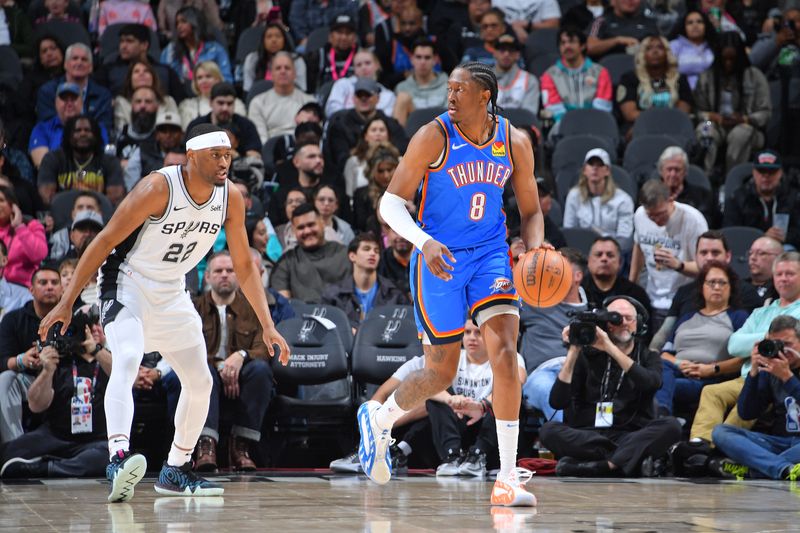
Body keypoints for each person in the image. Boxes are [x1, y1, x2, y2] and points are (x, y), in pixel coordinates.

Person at [37, 123, 290, 502]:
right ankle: (118, 457)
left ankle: (176, 469)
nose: (224, 163)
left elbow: (243, 264)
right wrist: (67, 300)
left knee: (201, 381)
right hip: (127, 282)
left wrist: (267, 325)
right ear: (191, 156)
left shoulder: (231, 197)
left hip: (173, 290)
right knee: (126, 358)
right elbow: (104, 240)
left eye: (228, 156)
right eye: (215, 156)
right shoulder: (159, 187)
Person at [360, 61, 545, 506]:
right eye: (449, 88)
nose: (450, 95)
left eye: (459, 89)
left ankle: (506, 477)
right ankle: (381, 419)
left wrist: (535, 250)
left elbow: (532, 211)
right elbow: (390, 204)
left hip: (490, 255)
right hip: (437, 257)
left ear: (485, 96)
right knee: (440, 371)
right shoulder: (433, 135)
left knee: (504, 353)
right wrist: (424, 243)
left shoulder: (514, 142)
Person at [540, 297, 683, 477]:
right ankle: (623, 461)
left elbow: (650, 383)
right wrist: (574, 350)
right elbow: (557, 401)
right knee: (548, 430)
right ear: (606, 324)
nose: (623, 323)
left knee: (671, 426)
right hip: (588, 435)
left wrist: (609, 347)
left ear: (638, 323)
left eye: (628, 318)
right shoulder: (587, 355)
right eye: (616, 318)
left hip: (630, 434)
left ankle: (601, 465)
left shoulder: (648, 357)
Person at [161, 251, 274, 472]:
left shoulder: (254, 309)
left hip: (243, 376)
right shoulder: (192, 308)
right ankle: (205, 445)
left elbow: (265, 347)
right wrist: (221, 365)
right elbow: (181, 344)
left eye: (230, 271)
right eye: (218, 271)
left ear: (238, 276)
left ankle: (241, 446)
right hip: (206, 373)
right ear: (207, 277)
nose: (224, 275)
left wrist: (241, 356)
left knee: (260, 370)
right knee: (204, 371)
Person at [689, 251, 800, 445]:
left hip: (780, 376)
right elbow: (734, 345)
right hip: (749, 375)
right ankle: (700, 445)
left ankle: (720, 449)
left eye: (790, 273)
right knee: (711, 392)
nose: (783, 279)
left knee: (743, 406)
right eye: (779, 274)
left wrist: (759, 340)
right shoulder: (762, 311)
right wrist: (766, 337)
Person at [0, 298, 113, 479]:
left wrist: (96, 350)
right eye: (87, 326)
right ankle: (62, 464)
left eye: (98, 325)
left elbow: (127, 379)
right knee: (8, 452)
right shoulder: (61, 358)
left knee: (108, 458)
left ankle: (47, 468)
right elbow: (36, 405)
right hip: (56, 436)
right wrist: (47, 371)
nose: (93, 330)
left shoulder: (110, 359)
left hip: (96, 440)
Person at [430, 319, 527, 477]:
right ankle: (452, 456)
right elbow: (427, 385)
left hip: (489, 429)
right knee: (435, 400)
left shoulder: (508, 355)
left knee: (508, 400)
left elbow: (518, 381)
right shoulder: (453, 356)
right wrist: (450, 399)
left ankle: (477, 456)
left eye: (478, 333)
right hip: (462, 421)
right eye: (467, 332)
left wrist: (483, 405)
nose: (472, 338)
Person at [711, 315, 800, 480]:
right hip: (779, 443)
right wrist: (753, 373)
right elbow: (746, 412)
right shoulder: (771, 370)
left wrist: (788, 378)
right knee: (721, 432)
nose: (782, 350)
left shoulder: (782, 372)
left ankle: (757, 469)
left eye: (787, 344)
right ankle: (784, 468)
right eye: (776, 344)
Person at [656, 261, 749, 416]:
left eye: (722, 283)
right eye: (712, 282)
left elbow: (744, 359)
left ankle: (662, 415)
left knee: (663, 385)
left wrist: (710, 369)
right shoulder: (687, 317)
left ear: (730, 287)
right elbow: (665, 353)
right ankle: (663, 415)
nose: (717, 287)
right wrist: (681, 364)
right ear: (702, 287)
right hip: (676, 370)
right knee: (657, 365)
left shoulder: (739, 317)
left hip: (708, 378)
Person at [648, 231, 765, 352]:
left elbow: (750, 340)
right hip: (677, 361)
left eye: (715, 253)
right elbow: (664, 332)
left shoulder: (746, 292)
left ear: (728, 256)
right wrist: (652, 355)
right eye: (703, 253)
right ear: (695, 257)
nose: (709, 258)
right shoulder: (684, 292)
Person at [521, 248, 588, 424]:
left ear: (577, 276)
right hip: (542, 373)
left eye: (560, 269)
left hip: (581, 373)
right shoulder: (532, 302)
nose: (553, 272)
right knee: (550, 390)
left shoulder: (592, 312)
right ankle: (570, 443)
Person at [630, 179, 708, 330]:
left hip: (683, 300)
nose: (657, 220)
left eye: (660, 214)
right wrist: (632, 284)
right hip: (651, 297)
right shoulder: (640, 216)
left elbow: (706, 267)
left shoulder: (693, 220)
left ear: (671, 200)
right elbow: (638, 247)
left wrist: (678, 265)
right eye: (651, 216)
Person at [694, 32, 771, 177]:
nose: (728, 63)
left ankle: (732, 180)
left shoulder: (755, 76)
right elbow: (697, 111)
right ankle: (705, 178)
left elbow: (765, 112)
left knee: (740, 133)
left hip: (747, 126)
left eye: (732, 59)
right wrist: (713, 116)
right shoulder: (707, 77)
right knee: (705, 129)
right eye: (724, 59)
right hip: (716, 123)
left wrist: (745, 119)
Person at [0, 268, 61, 444]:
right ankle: (15, 446)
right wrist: (23, 360)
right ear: (31, 289)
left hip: (67, 379)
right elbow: (3, 361)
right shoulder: (13, 319)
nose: (49, 287)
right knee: (5, 379)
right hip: (31, 382)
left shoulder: (74, 318)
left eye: (54, 282)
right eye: (43, 283)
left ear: (62, 289)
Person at [322, 232, 408, 329]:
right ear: (352, 256)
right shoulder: (333, 295)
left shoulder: (394, 293)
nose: (372, 253)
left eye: (376, 251)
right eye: (366, 249)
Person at [324, 78, 408, 176]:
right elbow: (340, 158)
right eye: (360, 95)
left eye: (368, 95)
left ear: (378, 98)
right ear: (354, 98)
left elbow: (402, 149)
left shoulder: (390, 123)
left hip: (389, 173)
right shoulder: (340, 124)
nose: (363, 99)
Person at [36, 115, 126, 207]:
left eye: (87, 130)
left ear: (95, 135)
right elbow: (47, 198)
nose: (83, 134)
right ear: (69, 135)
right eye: (77, 130)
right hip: (63, 217)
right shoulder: (52, 159)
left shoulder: (110, 162)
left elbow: (115, 199)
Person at [270, 203, 350, 303]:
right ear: (294, 230)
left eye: (311, 225)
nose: (307, 231)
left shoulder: (346, 255)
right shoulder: (285, 263)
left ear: (322, 223)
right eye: (301, 227)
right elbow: (283, 306)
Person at [617, 36, 694, 139]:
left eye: (660, 48)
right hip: (641, 125)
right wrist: (657, 120)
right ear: (642, 54)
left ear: (667, 53)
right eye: (649, 48)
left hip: (673, 126)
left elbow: (683, 112)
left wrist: (658, 120)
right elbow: (630, 114)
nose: (655, 51)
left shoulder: (679, 79)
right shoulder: (629, 78)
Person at [723, 150, 800, 250]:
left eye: (771, 172)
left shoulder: (794, 198)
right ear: (754, 172)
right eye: (761, 171)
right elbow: (730, 233)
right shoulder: (737, 198)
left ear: (780, 173)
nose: (766, 176)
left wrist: (786, 237)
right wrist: (762, 237)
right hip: (746, 250)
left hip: (784, 249)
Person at [540, 26, 613, 132]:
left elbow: (602, 107)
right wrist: (574, 125)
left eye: (572, 42)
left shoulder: (600, 72)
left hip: (596, 125)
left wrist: (587, 125)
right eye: (563, 43)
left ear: (583, 46)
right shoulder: (549, 75)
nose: (567, 46)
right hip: (563, 126)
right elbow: (554, 109)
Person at [563, 148, 635, 252]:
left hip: (611, 253)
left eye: (600, 165)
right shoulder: (574, 196)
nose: (595, 168)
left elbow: (625, 239)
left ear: (607, 170)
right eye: (591, 164)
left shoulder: (623, 200)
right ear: (584, 170)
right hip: (580, 251)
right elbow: (569, 232)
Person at [93, 23, 186, 101]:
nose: (123, 46)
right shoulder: (107, 71)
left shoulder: (165, 72)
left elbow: (181, 101)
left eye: (129, 41)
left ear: (144, 45)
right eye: (121, 41)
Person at [36, 43, 114, 134]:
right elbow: (46, 126)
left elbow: (104, 128)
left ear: (91, 67)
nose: (79, 63)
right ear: (65, 64)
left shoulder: (103, 95)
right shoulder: (48, 91)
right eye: (74, 58)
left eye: (84, 59)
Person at [29, 82, 110, 169]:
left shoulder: (97, 128)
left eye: (74, 99)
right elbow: (43, 165)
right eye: (64, 99)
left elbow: (102, 161)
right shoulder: (41, 130)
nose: (69, 103)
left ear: (81, 103)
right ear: (56, 103)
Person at [247, 52, 315, 145]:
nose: (283, 71)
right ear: (271, 74)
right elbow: (261, 139)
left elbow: (315, 136)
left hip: (302, 149)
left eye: (287, 68)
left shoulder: (309, 102)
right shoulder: (257, 103)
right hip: (270, 152)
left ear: (295, 73)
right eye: (278, 68)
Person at [582, 236, 652, 320]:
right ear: (588, 261)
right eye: (598, 255)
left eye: (610, 255)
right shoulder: (578, 290)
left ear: (620, 262)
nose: (604, 259)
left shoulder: (636, 294)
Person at [160, 7, 233, 87]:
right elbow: (163, 78)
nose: (179, 26)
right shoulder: (170, 51)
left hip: (210, 94)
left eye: (184, 21)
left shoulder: (215, 50)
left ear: (195, 23)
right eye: (177, 23)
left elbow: (227, 79)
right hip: (179, 95)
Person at [187, 83, 261, 159]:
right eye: (220, 103)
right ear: (211, 102)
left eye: (229, 103)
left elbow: (255, 155)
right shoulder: (196, 126)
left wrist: (237, 157)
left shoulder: (246, 125)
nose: (225, 108)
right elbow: (188, 156)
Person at [325, 48, 397, 119]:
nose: (363, 67)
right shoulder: (343, 84)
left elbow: (386, 119)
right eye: (359, 65)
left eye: (367, 63)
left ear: (377, 65)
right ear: (354, 70)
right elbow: (332, 110)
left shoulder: (388, 96)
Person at [112, 61, 179, 136]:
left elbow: (173, 130)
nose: (141, 74)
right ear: (130, 79)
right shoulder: (121, 102)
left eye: (146, 71)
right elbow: (121, 132)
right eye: (136, 71)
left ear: (153, 77)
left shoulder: (168, 101)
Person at [0, 186, 48, 289]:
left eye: (1, 200)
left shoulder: (31, 226)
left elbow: (40, 255)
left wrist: (19, 227)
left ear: (13, 205)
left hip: (23, 290)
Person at [394, 39, 449, 127]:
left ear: (435, 60)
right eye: (418, 57)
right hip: (413, 135)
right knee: (402, 98)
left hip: (442, 132)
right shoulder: (402, 87)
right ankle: (398, 140)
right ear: (412, 59)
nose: (422, 62)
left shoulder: (448, 85)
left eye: (427, 57)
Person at [124, 109, 184, 190]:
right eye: (163, 130)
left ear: (181, 134)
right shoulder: (142, 151)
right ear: (156, 134)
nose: (168, 135)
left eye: (173, 130)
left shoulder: (189, 153)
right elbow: (131, 187)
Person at [375, 5, 431, 90]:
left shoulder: (433, 43)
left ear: (420, 23)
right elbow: (383, 79)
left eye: (412, 23)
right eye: (403, 23)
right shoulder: (391, 46)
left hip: (433, 89)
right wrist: (402, 76)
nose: (407, 28)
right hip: (400, 91)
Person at [656, 146, 717, 225]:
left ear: (685, 172)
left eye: (677, 170)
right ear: (661, 171)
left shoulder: (703, 197)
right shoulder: (651, 196)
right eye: (669, 169)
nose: (673, 174)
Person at [178, 62, 246, 131]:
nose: (203, 81)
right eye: (199, 78)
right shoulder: (186, 106)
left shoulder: (236, 103)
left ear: (218, 79)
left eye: (208, 76)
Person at [242, 22, 307, 93]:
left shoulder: (296, 60)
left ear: (284, 39)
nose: (274, 40)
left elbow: (301, 88)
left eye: (278, 36)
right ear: (263, 41)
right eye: (269, 36)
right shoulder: (252, 59)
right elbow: (248, 90)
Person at [304, 14, 359, 93]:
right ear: (330, 36)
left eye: (348, 33)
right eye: (339, 32)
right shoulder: (317, 57)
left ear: (354, 38)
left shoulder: (362, 57)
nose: (343, 37)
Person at [586, 0, 659, 59]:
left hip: (643, 69)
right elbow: (590, 47)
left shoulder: (651, 23)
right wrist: (617, 41)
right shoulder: (600, 21)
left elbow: (661, 48)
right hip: (609, 70)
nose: (630, 1)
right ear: (613, 1)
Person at [353, 144, 400, 233]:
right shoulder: (361, 195)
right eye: (380, 171)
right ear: (372, 171)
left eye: (389, 170)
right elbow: (360, 225)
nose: (386, 175)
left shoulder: (409, 191)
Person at [343, 117, 394, 198]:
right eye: (373, 130)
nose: (378, 133)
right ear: (365, 136)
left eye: (382, 130)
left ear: (388, 135)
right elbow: (349, 194)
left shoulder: (400, 160)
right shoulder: (353, 162)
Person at [492, 32, 539, 113]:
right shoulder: (483, 80)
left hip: (519, 125)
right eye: (502, 50)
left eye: (511, 50)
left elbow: (529, 115)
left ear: (517, 55)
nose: (506, 54)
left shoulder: (529, 80)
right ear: (495, 53)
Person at [670, 10, 717, 89]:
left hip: (710, 92)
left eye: (699, 22)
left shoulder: (714, 46)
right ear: (684, 27)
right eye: (690, 23)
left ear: (706, 25)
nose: (695, 25)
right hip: (681, 92)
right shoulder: (673, 46)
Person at [493, 0, 560, 43]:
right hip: (505, 44)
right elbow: (491, 21)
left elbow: (554, 25)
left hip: (540, 43)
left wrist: (528, 25)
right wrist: (514, 28)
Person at [746, 236, 781, 303]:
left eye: (761, 253)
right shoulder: (739, 286)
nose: (752, 257)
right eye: (750, 253)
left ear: (778, 258)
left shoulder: (781, 288)